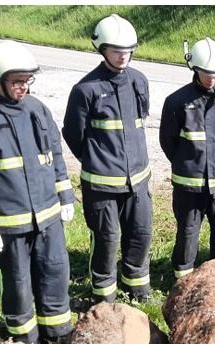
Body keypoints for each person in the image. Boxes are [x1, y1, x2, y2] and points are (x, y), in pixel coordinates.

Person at [0, 40, 76, 344]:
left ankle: (58, 332)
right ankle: (24, 339)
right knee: (18, 282)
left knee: (55, 272)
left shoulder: (38, 109)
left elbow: (55, 155)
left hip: (48, 216)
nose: (23, 87)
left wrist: (65, 197)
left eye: (27, 80)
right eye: (17, 81)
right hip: (11, 223)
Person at [62, 14, 154, 302]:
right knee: (107, 239)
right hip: (101, 184)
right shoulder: (85, 90)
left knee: (141, 234)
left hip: (137, 181)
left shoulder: (139, 81)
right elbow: (73, 133)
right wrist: (96, 159)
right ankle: (104, 295)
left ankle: (137, 287)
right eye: (116, 51)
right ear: (101, 49)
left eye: (128, 51)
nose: (123, 56)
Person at [158, 38, 215, 278]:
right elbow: (168, 142)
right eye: (207, 73)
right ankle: (181, 281)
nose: (211, 78)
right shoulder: (177, 102)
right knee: (187, 233)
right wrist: (188, 164)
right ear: (195, 69)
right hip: (189, 184)